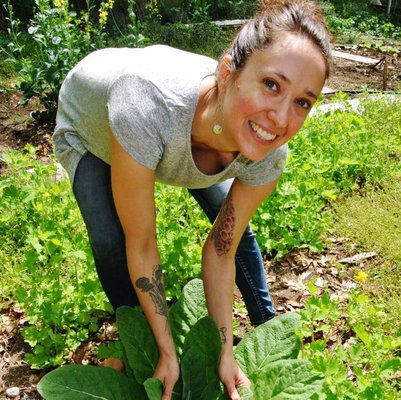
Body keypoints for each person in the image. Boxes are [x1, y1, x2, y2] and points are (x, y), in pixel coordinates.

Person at [53, 0, 331, 398]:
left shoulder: (266, 150)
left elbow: (222, 250)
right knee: (111, 238)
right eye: (272, 84)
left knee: (232, 231)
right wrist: (169, 349)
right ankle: (147, 350)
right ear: (228, 73)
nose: (282, 119)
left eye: (303, 101)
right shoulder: (147, 105)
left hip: (203, 129)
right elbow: (143, 243)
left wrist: (225, 351)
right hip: (92, 127)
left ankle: (265, 322)